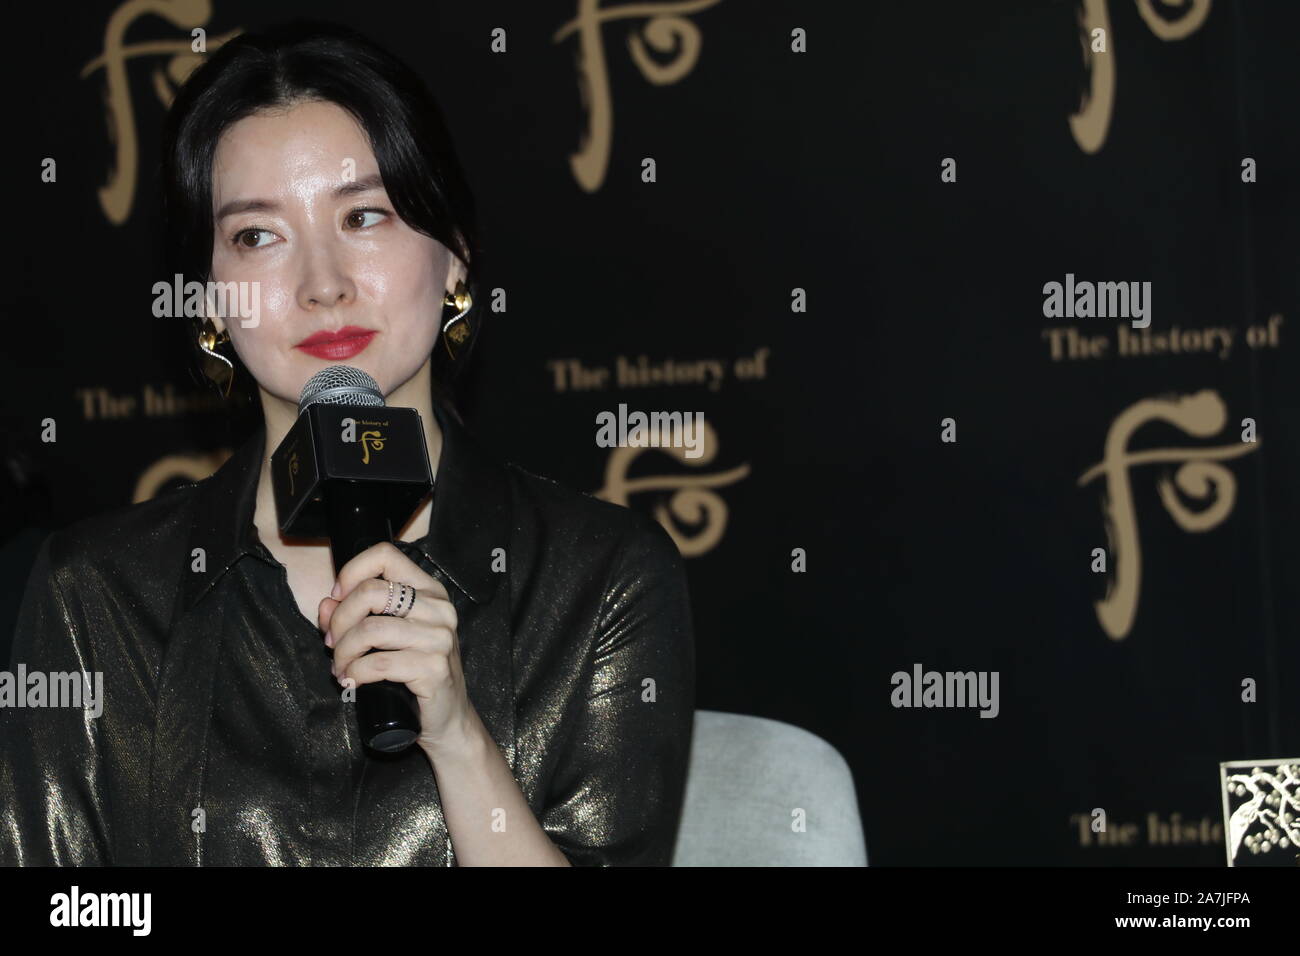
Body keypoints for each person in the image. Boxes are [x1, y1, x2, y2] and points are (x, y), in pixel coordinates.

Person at [0, 20, 695, 867]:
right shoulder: (97, 595)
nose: (321, 283)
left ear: (457, 262)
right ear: (208, 298)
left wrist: (461, 740)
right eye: (258, 235)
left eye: (364, 216)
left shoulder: (600, 579)